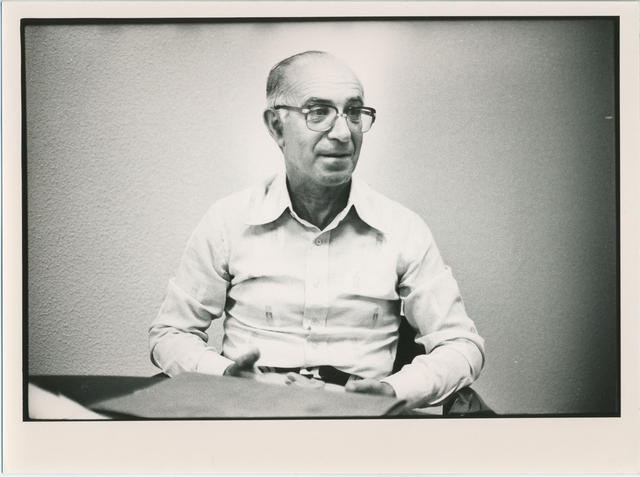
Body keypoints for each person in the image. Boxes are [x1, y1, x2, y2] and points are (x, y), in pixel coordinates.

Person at [149, 50, 484, 409]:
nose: (343, 133)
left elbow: (461, 345)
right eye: (319, 112)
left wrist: (393, 390)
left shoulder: (403, 230)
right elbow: (171, 333)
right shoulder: (228, 221)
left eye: (353, 112)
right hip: (248, 414)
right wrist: (226, 375)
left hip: (359, 420)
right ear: (276, 126)